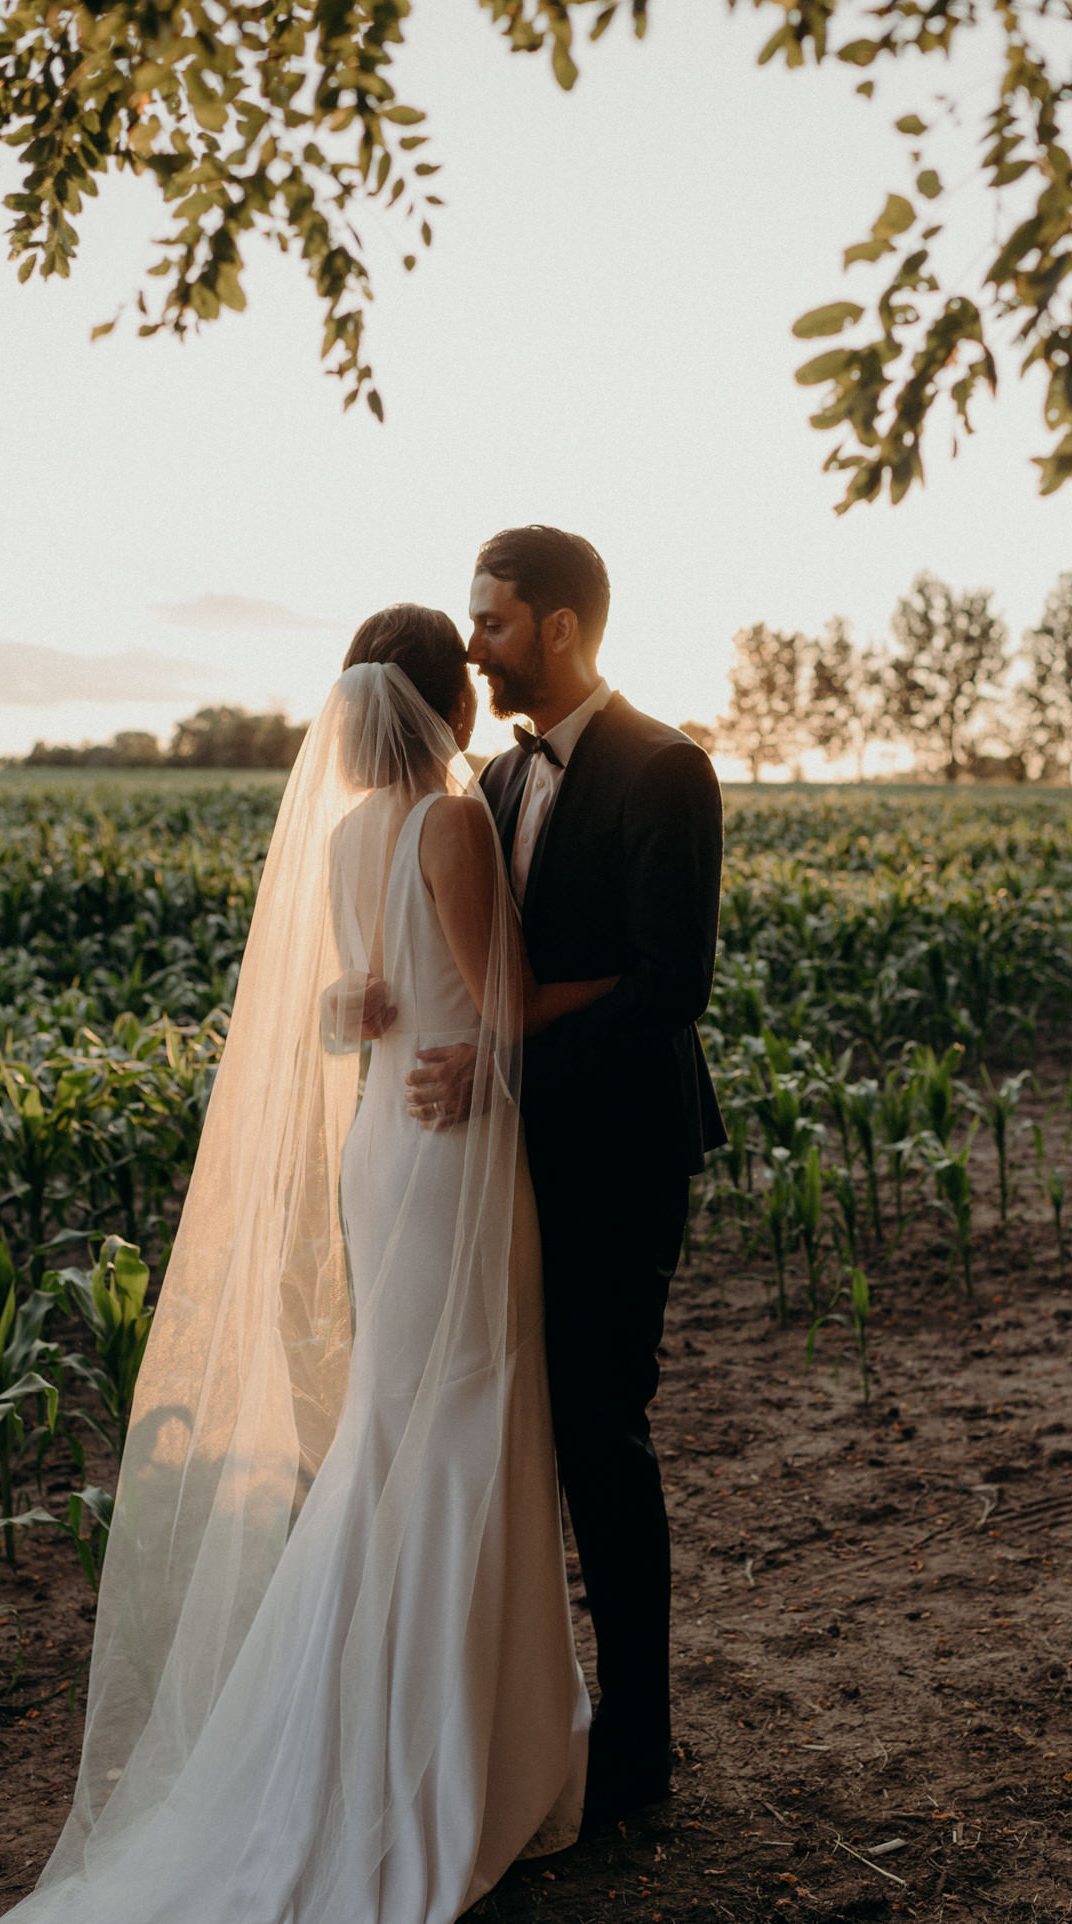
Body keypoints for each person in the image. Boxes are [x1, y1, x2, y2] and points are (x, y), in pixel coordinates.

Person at [0, 607, 618, 1924]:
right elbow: (495, 1010)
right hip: (450, 1150)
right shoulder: (444, 825)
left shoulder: (347, 833)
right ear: (442, 705)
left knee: (396, 1421)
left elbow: (336, 1008)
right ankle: (453, 1754)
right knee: (465, 1413)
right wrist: (621, 982)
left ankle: (355, 1725)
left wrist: (383, 1012)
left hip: (385, 1142)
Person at [402, 529, 725, 1822]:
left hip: (621, 1158)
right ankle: (536, 1732)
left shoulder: (666, 769)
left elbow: (669, 989)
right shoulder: (487, 779)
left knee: (601, 1437)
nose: (472, 645)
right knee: (512, 1441)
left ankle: (638, 1759)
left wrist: (507, 1071)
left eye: (491, 622)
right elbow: (484, 966)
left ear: (559, 628)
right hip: (511, 1175)